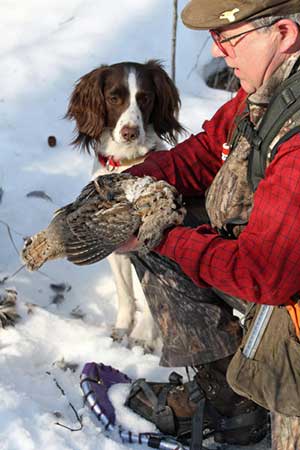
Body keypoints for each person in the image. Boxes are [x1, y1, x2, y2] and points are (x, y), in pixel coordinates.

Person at [118, 1, 300, 448]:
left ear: (283, 33)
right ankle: (232, 403)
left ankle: (269, 397)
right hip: (273, 267)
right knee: (155, 221)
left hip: (285, 295)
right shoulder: (267, 91)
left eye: (231, 39)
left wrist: (163, 236)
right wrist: (125, 190)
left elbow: (264, 274)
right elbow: (206, 153)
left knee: (159, 235)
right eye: (218, 40)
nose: (219, 53)